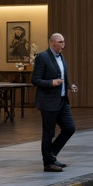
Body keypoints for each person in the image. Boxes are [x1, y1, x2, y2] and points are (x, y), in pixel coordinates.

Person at [32, 33, 78, 172]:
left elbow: (63, 75)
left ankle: (51, 154)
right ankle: (48, 163)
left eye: (64, 42)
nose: (63, 44)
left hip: (62, 100)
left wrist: (70, 86)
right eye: (60, 42)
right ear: (52, 43)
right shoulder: (42, 57)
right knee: (49, 133)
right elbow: (35, 80)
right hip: (48, 102)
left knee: (69, 128)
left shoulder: (61, 57)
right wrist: (52, 82)